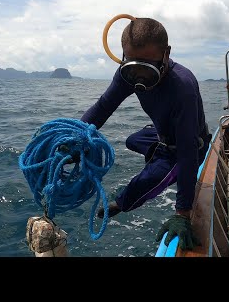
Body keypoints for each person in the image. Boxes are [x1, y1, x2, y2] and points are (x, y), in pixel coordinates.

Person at [80, 17, 211, 251]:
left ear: (166, 54)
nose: (140, 77)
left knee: (146, 182)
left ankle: (125, 200)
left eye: (148, 68)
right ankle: (160, 156)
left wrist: (182, 212)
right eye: (133, 66)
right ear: (123, 56)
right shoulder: (126, 74)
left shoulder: (183, 87)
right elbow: (103, 107)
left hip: (189, 144)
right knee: (132, 141)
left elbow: (188, 151)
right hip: (161, 136)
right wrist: (76, 135)